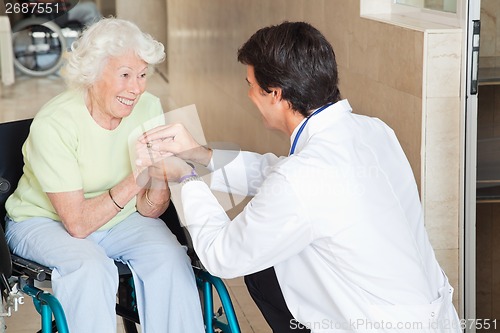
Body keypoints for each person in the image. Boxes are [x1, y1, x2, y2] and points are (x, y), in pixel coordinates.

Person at [137, 21, 462, 333]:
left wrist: (185, 178)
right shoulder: (374, 131)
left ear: (275, 94)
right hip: (430, 314)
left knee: (257, 265)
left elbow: (223, 256)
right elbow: (279, 174)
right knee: (266, 272)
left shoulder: (302, 178)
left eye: (250, 85)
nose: (249, 95)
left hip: (373, 323)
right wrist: (199, 153)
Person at [4, 17, 204, 333]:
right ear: (93, 74)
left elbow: (150, 210)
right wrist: (136, 176)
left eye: (142, 75)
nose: (136, 88)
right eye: (125, 75)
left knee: (170, 259)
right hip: (43, 221)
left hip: (119, 219)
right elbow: (78, 224)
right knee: (90, 268)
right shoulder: (55, 123)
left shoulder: (148, 106)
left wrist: (161, 173)